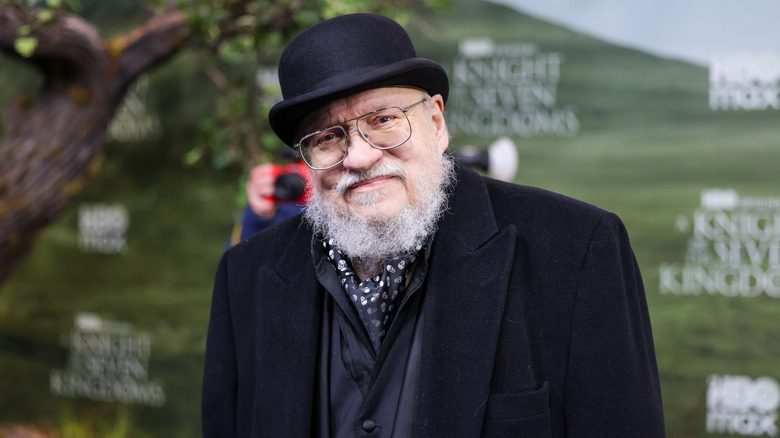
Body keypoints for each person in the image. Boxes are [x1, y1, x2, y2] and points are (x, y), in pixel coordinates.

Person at [202, 13, 665, 438]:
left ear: (437, 122)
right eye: (327, 137)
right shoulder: (245, 277)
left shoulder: (577, 250)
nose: (360, 157)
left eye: (383, 120)